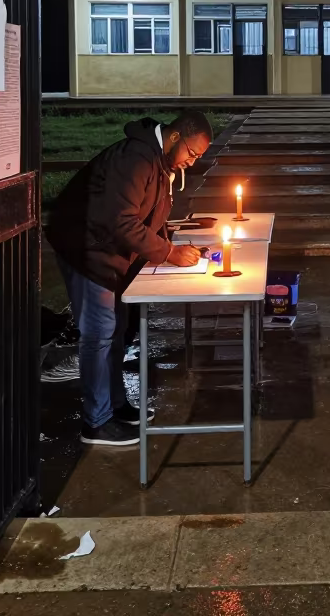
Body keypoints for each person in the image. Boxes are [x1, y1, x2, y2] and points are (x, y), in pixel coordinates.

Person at [46, 109, 214, 446]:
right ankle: (96, 423)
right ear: (175, 137)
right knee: (99, 335)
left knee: (117, 331)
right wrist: (167, 253)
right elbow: (121, 222)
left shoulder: (159, 162)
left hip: (108, 252)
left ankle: (116, 406)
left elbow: (148, 213)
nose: (191, 163)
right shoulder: (136, 159)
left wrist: (169, 244)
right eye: (191, 154)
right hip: (88, 251)